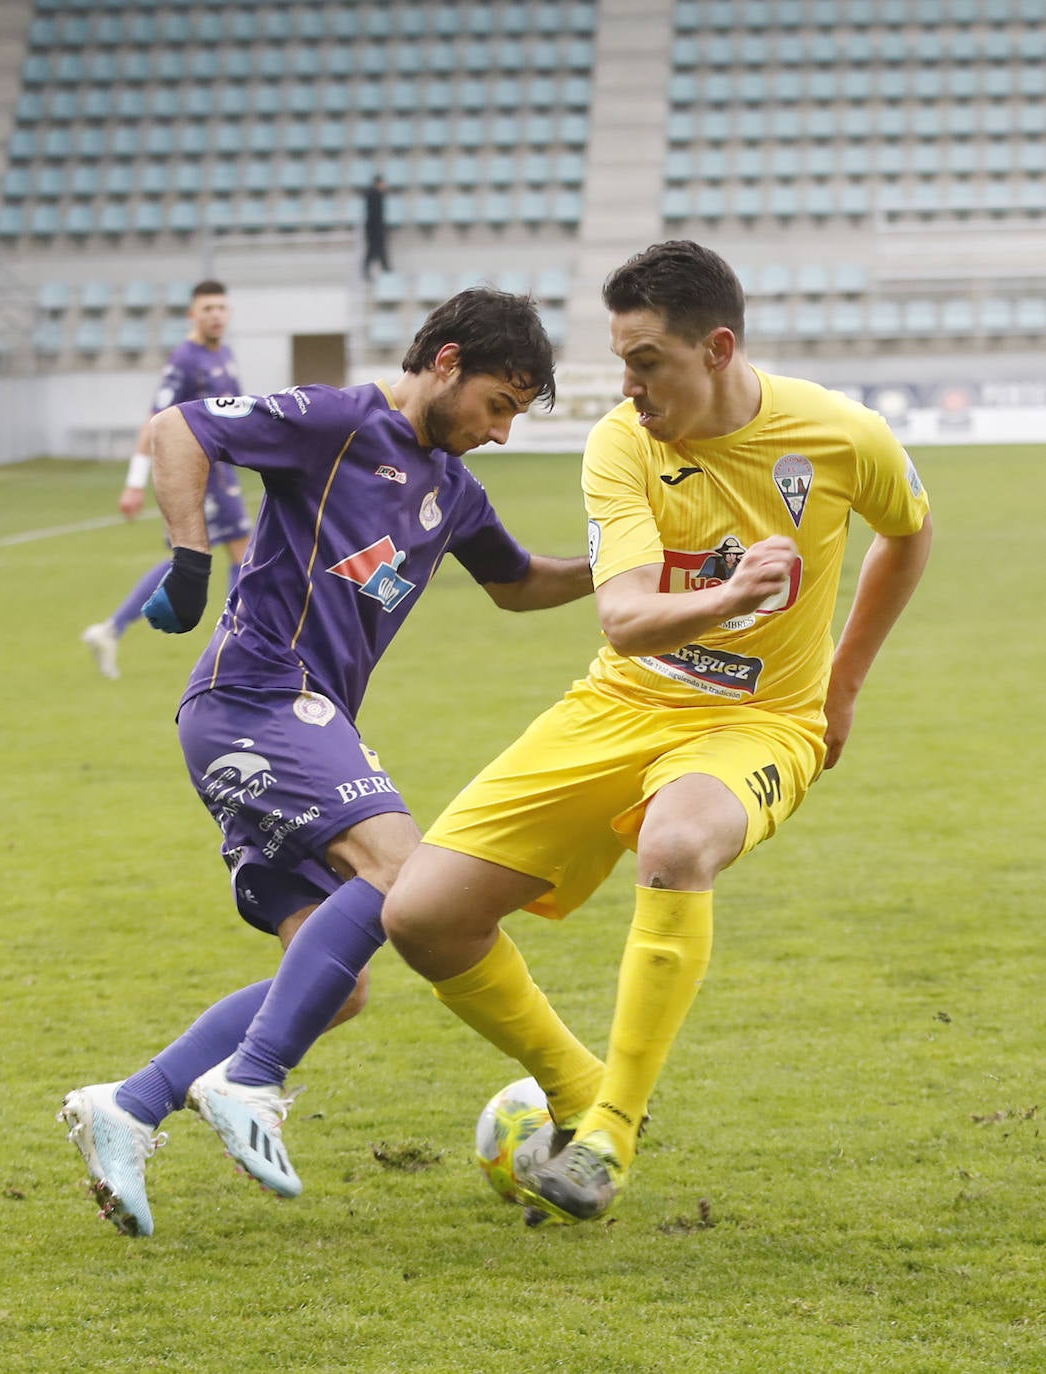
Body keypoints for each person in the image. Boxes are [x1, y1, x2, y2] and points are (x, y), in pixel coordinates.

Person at [381, 240, 934, 1226]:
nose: (627, 386)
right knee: (421, 916)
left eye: (646, 363)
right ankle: (578, 1086)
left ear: (716, 348)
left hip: (759, 723)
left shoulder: (844, 437)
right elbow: (625, 617)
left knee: (678, 844)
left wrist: (840, 686)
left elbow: (909, 531)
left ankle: (609, 1139)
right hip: (620, 701)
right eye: (621, 361)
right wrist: (730, 596)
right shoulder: (621, 444)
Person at [59, 288, 593, 1237]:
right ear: (446, 361)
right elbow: (177, 427)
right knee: (405, 872)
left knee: (334, 984)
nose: (501, 432)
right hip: (255, 698)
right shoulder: (340, 420)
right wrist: (187, 561)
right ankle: (251, 1083)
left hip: (301, 722)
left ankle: (129, 1107)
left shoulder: (453, 488)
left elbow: (517, 586)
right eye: (498, 405)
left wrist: (622, 565)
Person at [80, 280, 252, 680]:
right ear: (192, 314)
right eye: (207, 308)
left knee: (223, 555)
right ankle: (234, 647)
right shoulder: (185, 361)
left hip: (220, 472)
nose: (216, 315)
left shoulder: (224, 355)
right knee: (229, 556)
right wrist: (134, 482)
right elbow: (155, 422)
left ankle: (112, 630)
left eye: (221, 308)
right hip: (198, 475)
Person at [362, 174, 389, 279]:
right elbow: (375, 214)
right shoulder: (375, 195)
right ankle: (384, 269)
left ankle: (385, 269)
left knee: (377, 250)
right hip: (374, 228)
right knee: (373, 250)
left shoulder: (373, 194)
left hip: (374, 227)